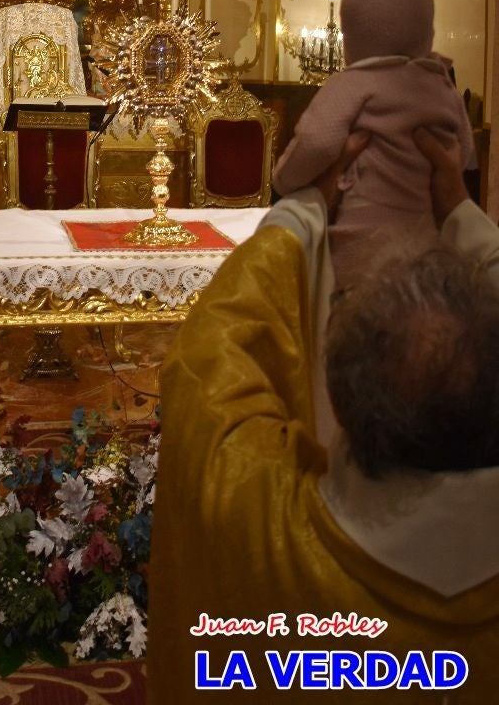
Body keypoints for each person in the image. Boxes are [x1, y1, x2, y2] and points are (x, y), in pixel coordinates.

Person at [146, 129, 499, 704]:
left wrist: (305, 210)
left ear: (336, 396)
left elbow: (211, 352)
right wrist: (460, 210)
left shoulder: (245, 505)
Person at [273, 0, 475, 287]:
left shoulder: (351, 83)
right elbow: (462, 155)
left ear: (350, 38)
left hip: (359, 255)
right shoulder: (441, 84)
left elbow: (317, 142)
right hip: (426, 254)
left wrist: (283, 179)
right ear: (429, 33)